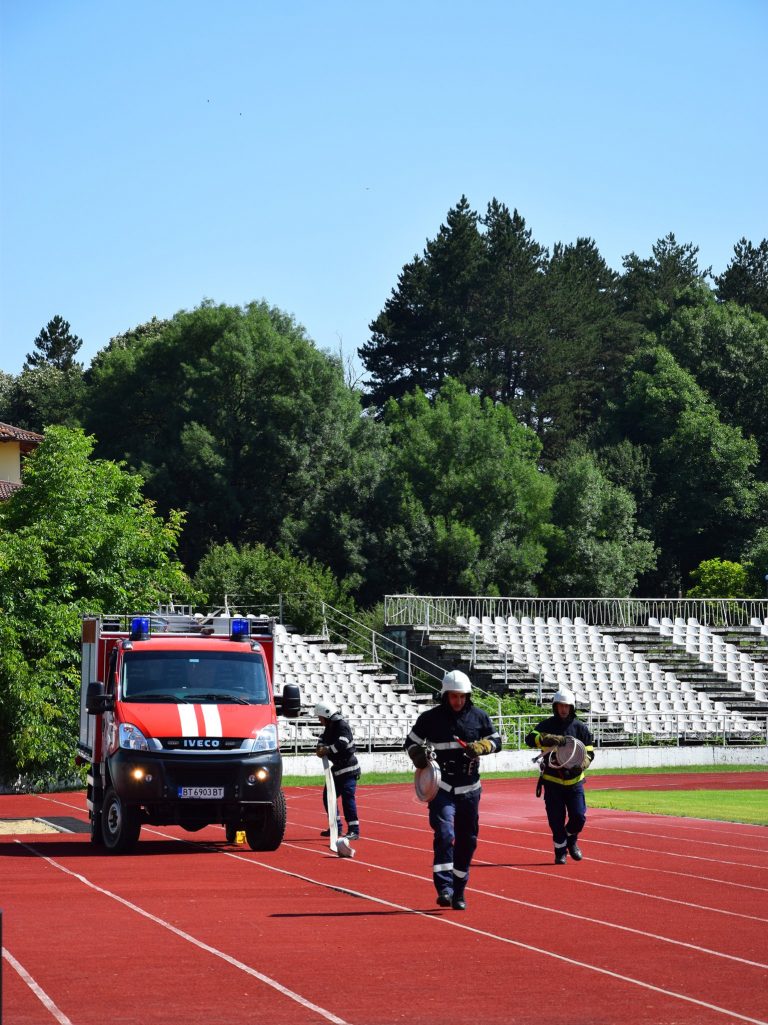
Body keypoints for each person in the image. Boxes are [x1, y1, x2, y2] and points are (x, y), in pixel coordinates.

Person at [404, 669, 501, 911]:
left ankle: (459, 890)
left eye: (462, 696)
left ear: (468, 696)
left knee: (468, 841)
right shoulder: (430, 718)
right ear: (445, 695)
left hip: (470, 788)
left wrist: (484, 745)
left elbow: (498, 741)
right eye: (453, 696)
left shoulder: (479, 717)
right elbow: (410, 743)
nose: (457, 701)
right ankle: (444, 888)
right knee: (445, 834)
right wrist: (417, 755)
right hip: (442, 787)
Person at [525, 686, 595, 864]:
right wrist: (545, 738)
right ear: (555, 707)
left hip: (574, 783)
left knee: (578, 817)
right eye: (560, 706)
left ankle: (571, 839)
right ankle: (560, 852)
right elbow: (529, 738)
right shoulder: (547, 725)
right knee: (556, 821)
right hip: (552, 782)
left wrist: (582, 765)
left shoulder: (580, 728)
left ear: (572, 707)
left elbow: (589, 752)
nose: (563, 709)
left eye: (566, 706)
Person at [314, 701, 361, 840]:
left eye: (320, 717)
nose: (319, 720)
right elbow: (323, 738)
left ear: (326, 716)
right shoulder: (330, 727)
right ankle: (336, 827)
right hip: (337, 770)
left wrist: (328, 749)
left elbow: (342, 743)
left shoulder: (342, 726)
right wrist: (320, 746)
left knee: (348, 799)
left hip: (348, 770)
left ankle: (354, 830)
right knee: (328, 798)